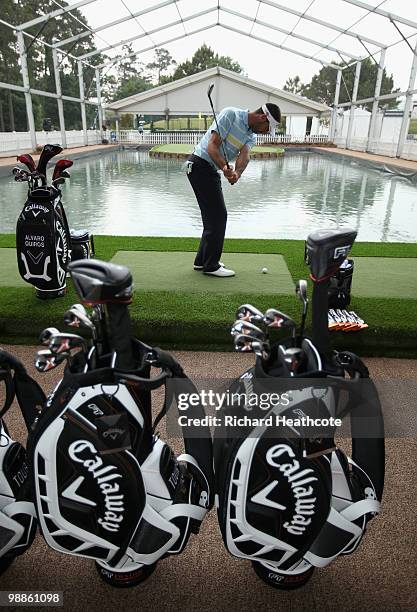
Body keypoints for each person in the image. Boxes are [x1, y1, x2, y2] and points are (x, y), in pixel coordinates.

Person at [186, 103, 281, 277]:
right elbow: (212, 146)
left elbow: (244, 156)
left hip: (208, 169)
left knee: (212, 217)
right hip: (199, 165)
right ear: (262, 118)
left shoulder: (251, 135)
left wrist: (237, 173)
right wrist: (224, 167)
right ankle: (211, 266)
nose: (266, 132)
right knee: (219, 216)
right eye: (268, 128)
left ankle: (202, 261)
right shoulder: (231, 115)